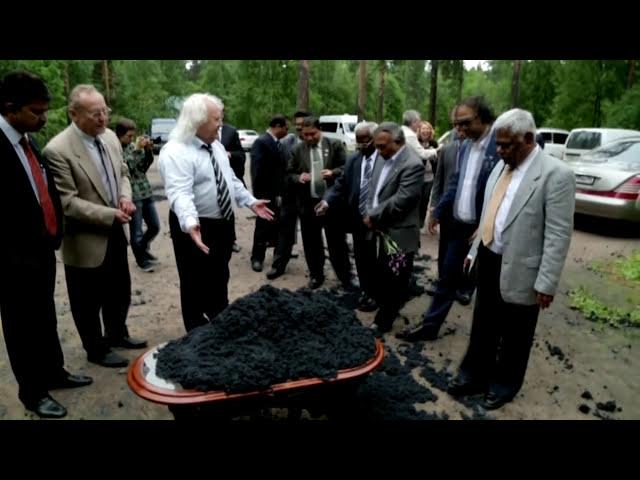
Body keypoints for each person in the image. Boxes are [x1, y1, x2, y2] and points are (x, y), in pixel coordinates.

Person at [448, 108, 575, 410]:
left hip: (524, 270)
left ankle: (504, 384)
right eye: (499, 144)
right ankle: (473, 375)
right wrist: (474, 250)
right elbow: (489, 215)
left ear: (529, 139)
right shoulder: (499, 169)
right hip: (490, 259)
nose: (501, 151)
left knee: (516, 334)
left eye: (507, 145)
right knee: (483, 325)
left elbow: (558, 235)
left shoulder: (556, 175)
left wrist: (546, 282)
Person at [0, 71, 93, 418]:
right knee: (21, 327)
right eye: (36, 112)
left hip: (41, 251)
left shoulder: (28, 140)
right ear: (10, 108)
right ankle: (33, 392)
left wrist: (53, 234)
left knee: (45, 317)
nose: (44, 118)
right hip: (11, 260)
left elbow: (42, 190)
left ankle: (54, 372)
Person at [44, 84, 147, 369]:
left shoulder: (111, 137)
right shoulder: (58, 150)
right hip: (86, 239)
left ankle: (117, 334)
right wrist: (110, 214)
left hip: (115, 228)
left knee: (119, 289)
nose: (103, 118)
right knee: (87, 300)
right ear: (73, 114)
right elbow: (68, 203)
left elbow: (123, 172)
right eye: (95, 113)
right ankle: (96, 349)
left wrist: (125, 197)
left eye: (105, 111)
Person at [158, 93, 274, 332]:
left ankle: (219, 320)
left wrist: (250, 201)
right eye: (215, 119)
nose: (221, 124)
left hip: (222, 223)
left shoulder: (217, 146)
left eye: (220, 118)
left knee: (220, 274)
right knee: (193, 280)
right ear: (197, 121)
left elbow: (230, 179)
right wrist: (191, 223)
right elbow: (180, 193)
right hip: (195, 227)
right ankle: (196, 331)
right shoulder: (176, 151)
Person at [397, 96, 500, 342]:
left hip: (487, 231)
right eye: (457, 124)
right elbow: (455, 183)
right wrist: (438, 211)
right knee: (446, 279)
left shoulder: (500, 145)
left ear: (483, 118)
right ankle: (430, 327)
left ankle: (488, 342)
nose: (460, 129)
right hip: (458, 227)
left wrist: (487, 222)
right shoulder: (463, 145)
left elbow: (506, 190)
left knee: (488, 290)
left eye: (465, 123)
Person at [365, 122, 424, 333]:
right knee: (383, 272)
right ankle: (386, 306)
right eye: (377, 146)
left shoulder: (413, 165)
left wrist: (373, 215)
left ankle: (384, 320)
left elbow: (402, 201)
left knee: (395, 276)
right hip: (380, 228)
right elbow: (374, 189)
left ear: (398, 142)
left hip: (399, 233)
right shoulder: (382, 158)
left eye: (382, 146)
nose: (378, 151)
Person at [315, 121, 381, 311]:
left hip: (381, 218)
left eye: (366, 141)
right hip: (359, 218)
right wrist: (327, 201)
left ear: (375, 139)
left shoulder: (385, 158)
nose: (361, 146)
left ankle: (382, 294)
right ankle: (368, 291)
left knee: (382, 260)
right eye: (358, 142)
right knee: (362, 258)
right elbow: (341, 184)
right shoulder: (353, 160)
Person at [287, 115, 355, 290]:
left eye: (313, 134)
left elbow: (347, 169)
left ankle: (345, 276)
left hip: (331, 203)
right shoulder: (297, 150)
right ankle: (316, 275)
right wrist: (298, 177)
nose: (309, 138)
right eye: (305, 135)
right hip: (308, 203)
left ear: (320, 130)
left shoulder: (335, 145)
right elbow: (288, 174)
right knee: (311, 241)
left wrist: (333, 172)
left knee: (336, 241)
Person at [424, 107, 466, 296]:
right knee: (445, 247)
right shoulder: (447, 150)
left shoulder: (478, 152)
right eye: (455, 126)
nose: (458, 129)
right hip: (447, 209)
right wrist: (434, 207)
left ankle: (463, 287)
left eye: (461, 125)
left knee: (465, 250)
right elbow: (439, 181)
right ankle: (443, 281)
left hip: (467, 211)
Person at [115, 117, 160, 273]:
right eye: (129, 136)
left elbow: (144, 166)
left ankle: (143, 249)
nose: (131, 139)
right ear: (120, 135)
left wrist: (148, 150)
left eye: (133, 136)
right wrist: (137, 149)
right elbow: (129, 168)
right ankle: (141, 260)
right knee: (137, 232)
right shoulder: (116, 149)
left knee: (155, 226)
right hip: (133, 195)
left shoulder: (132, 147)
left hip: (145, 191)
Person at [249, 114, 289, 272]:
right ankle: (257, 257)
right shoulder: (261, 142)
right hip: (264, 194)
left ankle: (276, 254)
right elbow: (256, 171)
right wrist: (259, 197)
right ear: (278, 126)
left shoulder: (277, 143)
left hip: (277, 193)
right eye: (286, 128)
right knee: (262, 226)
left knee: (276, 225)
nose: (287, 131)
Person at [400, 110, 436, 230]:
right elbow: (422, 154)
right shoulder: (410, 136)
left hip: (428, 177)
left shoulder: (401, 131)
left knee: (424, 201)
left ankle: (418, 224)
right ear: (414, 122)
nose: (420, 126)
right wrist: (438, 150)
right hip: (415, 175)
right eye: (419, 123)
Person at [219, 106, 245, 253]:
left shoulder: (231, 131)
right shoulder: (200, 131)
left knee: (228, 211)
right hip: (208, 180)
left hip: (227, 177)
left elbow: (241, 155)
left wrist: (230, 155)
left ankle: (231, 240)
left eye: (220, 113)